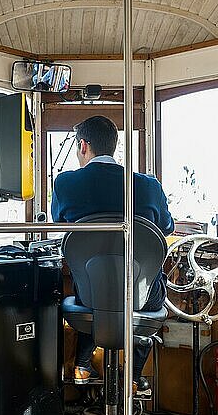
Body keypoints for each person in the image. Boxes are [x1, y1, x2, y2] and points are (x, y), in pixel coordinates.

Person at [52, 115, 174, 398]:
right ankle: (133, 376)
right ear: (114, 146)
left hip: (91, 296)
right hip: (142, 298)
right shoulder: (148, 186)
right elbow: (167, 228)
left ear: (83, 146)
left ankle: (82, 366)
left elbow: (60, 224)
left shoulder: (66, 183)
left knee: (90, 290)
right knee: (151, 291)